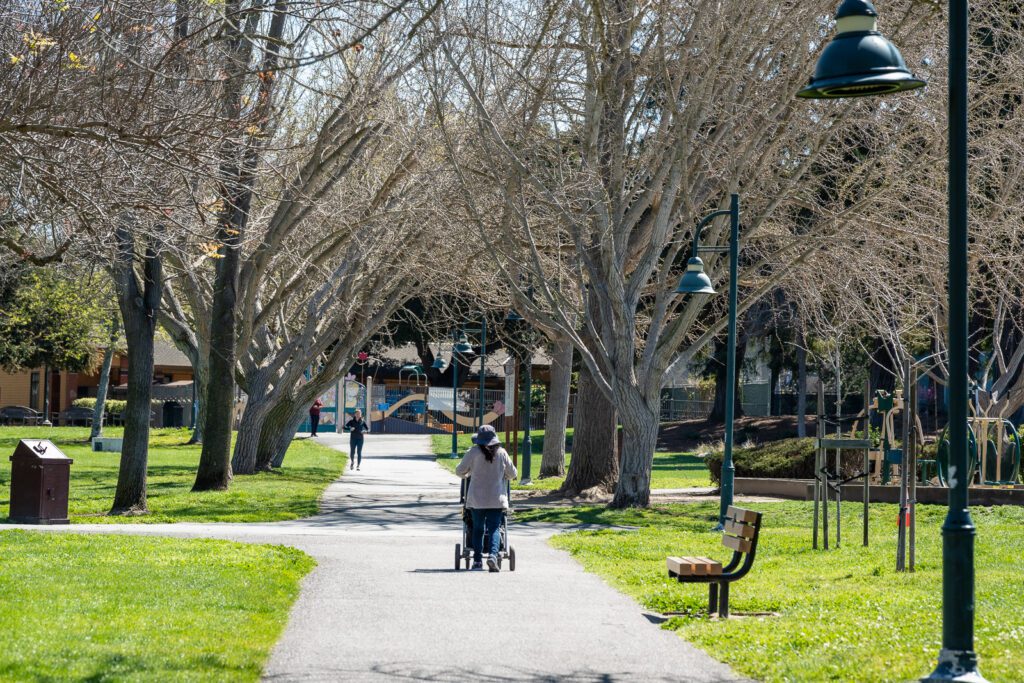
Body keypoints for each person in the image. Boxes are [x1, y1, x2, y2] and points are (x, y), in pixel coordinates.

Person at [455, 424, 517, 572]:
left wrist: (466, 475)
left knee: (477, 529)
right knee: (495, 528)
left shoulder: (473, 452)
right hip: (496, 498)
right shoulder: (502, 453)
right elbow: (513, 473)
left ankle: (477, 561)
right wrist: (505, 476)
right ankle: (493, 556)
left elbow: (459, 470)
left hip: (477, 499)